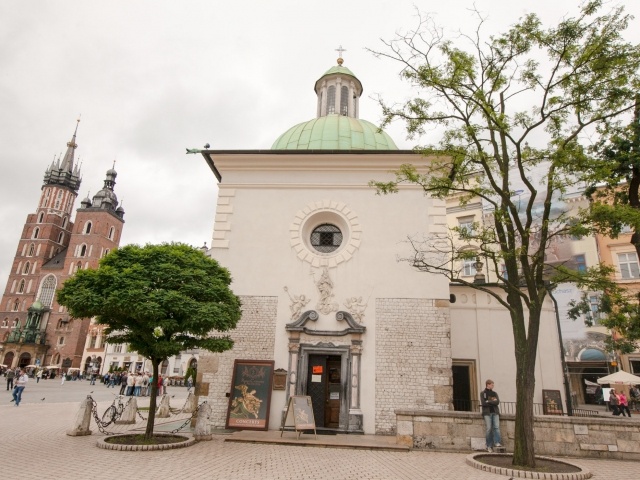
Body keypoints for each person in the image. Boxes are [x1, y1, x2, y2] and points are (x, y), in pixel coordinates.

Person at [480, 379, 502, 452]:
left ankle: (497, 442)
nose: (493, 386)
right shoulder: (483, 393)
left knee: (496, 427)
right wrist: (492, 400)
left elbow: (497, 402)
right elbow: (483, 403)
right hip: (487, 413)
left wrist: (488, 401)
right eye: (492, 384)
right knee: (489, 428)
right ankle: (489, 445)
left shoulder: (494, 393)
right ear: (488, 384)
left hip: (495, 412)